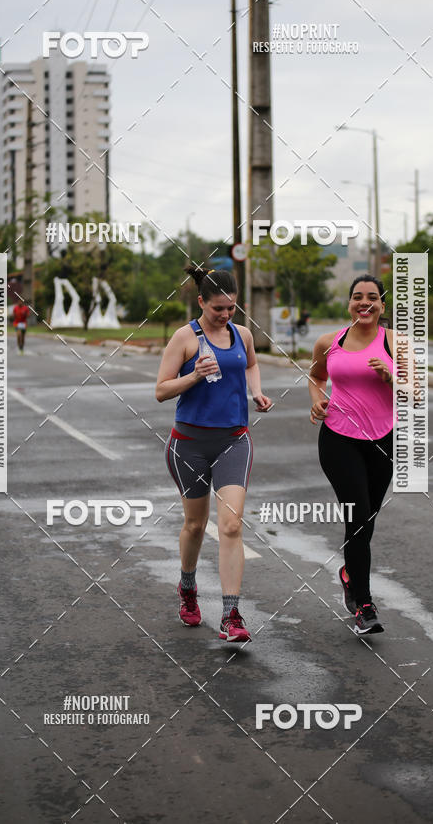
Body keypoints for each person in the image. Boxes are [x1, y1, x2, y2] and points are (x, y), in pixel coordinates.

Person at [156, 266, 272, 643]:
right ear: (201, 301)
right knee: (194, 525)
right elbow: (161, 390)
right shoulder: (184, 338)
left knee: (231, 525)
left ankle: (230, 614)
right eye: (217, 309)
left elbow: (250, 364)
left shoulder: (242, 334)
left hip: (234, 441)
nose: (224, 316)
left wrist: (256, 392)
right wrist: (193, 376)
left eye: (231, 308)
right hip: (188, 444)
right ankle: (188, 586)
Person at [308, 275, 396, 636]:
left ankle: (348, 574)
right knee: (358, 518)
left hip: (382, 440)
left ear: (381, 306)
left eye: (372, 297)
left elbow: (417, 394)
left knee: (367, 520)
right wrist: (317, 400)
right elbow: (315, 377)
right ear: (349, 304)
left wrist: (391, 376)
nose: (365, 303)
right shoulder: (330, 342)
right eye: (358, 297)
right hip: (338, 439)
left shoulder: (396, 342)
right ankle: (364, 605)